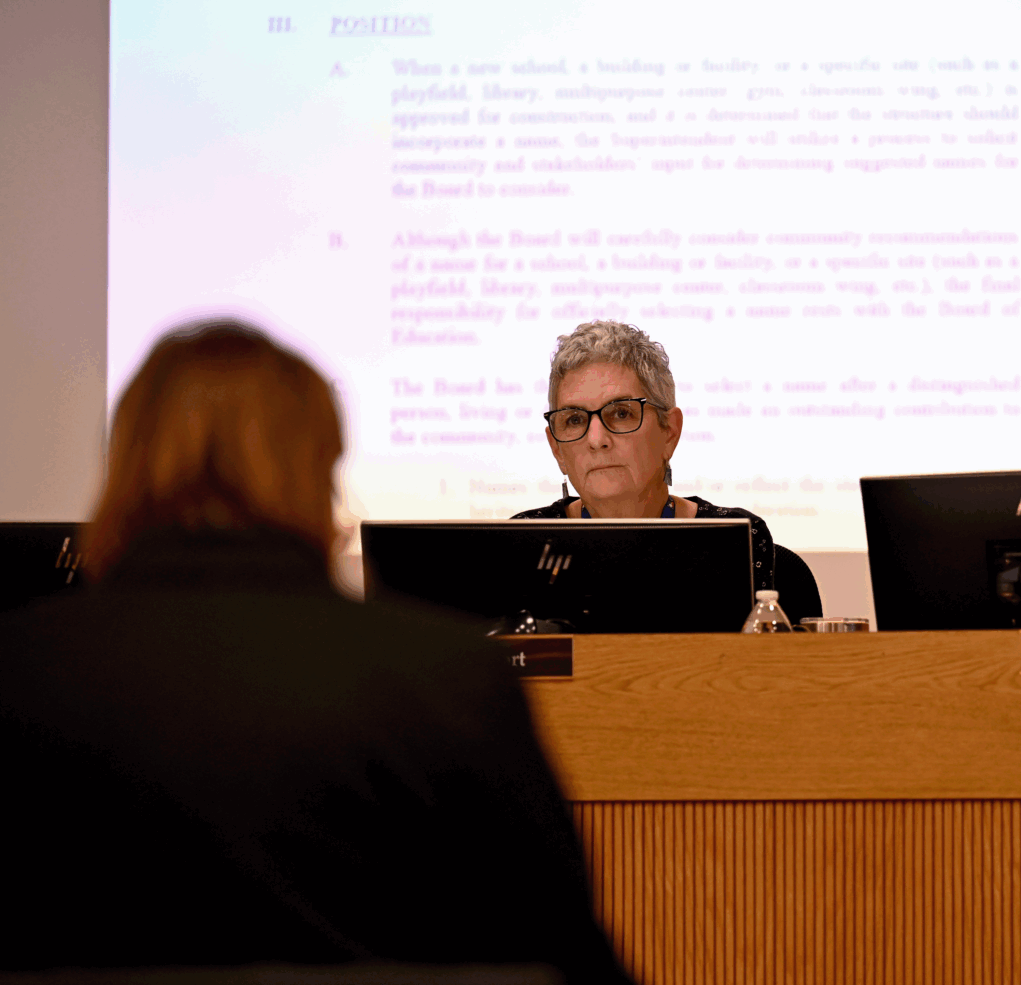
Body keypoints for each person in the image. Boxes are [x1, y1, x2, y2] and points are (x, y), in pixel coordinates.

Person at [0, 322, 633, 983]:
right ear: (318, 466)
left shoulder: (15, 672)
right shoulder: (452, 679)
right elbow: (566, 961)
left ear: (124, 463)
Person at [513, 320, 778, 596]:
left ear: (669, 432)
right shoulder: (521, 544)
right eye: (575, 419)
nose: (596, 439)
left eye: (621, 413)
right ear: (557, 449)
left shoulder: (734, 540)